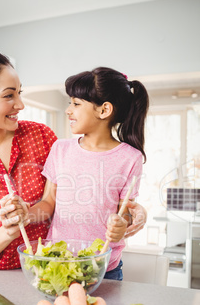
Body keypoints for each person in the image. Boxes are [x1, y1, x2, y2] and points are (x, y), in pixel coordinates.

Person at [0, 52, 147, 272]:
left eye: (19, 93)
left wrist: (136, 214)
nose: (21, 104)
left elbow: (86, 192)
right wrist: (8, 230)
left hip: (58, 269)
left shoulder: (40, 136)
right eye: (8, 96)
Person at [19, 67, 149, 280]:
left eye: (76, 104)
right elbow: (48, 203)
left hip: (103, 268)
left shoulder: (130, 158)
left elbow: (124, 210)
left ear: (104, 110)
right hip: (59, 262)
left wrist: (121, 226)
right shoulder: (60, 149)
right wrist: (27, 215)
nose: (68, 110)